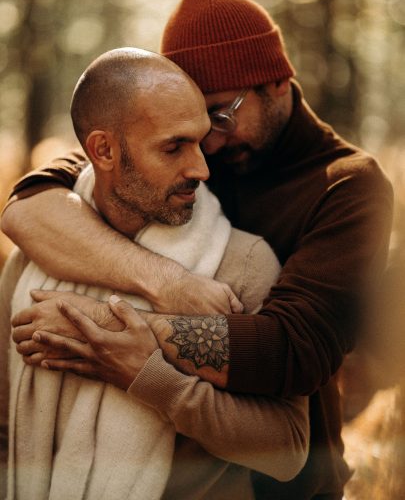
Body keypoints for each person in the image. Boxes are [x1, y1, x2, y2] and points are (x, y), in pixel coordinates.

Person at [1, 0, 393, 499]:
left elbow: (294, 348)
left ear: (276, 80)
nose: (206, 150)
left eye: (220, 113)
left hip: (291, 487)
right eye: (187, 126)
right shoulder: (195, 146)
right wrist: (165, 282)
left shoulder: (347, 185)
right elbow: (31, 207)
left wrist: (102, 328)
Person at [0, 47, 309, 500]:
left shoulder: (242, 263)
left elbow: (289, 450)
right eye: (173, 147)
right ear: (102, 150)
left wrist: (151, 377)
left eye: (201, 141)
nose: (202, 169)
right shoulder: (34, 258)